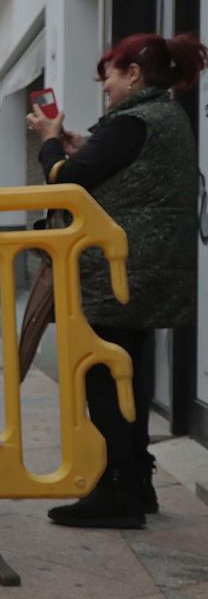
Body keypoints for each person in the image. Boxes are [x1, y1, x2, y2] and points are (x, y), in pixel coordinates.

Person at [27, 32, 205, 528]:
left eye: (108, 75)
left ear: (132, 73)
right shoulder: (166, 116)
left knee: (104, 380)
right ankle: (137, 483)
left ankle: (118, 493)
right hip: (146, 268)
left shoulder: (132, 121)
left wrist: (49, 141)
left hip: (116, 270)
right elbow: (121, 170)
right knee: (129, 376)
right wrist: (86, 147)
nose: (104, 86)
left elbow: (65, 180)